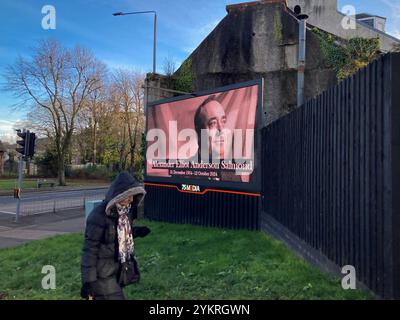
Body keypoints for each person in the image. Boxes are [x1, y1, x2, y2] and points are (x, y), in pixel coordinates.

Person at [80, 171, 151, 300]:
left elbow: (119, 236)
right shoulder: (98, 216)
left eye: (133, 196)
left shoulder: (124, 214)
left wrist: (136, 232)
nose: (131, 200)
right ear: (118, 195)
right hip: (102, 275)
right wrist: (88, 282)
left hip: (117, 271)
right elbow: (89, 250)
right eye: (128, 196)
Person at [193, 96, 242, 182]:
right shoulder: (183, 171)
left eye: (223, 121)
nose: (221, 129)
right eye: (213, 123)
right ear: (199, 132)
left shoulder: (232, 167)